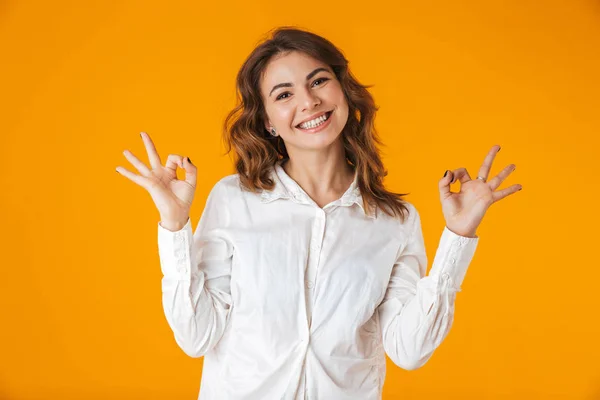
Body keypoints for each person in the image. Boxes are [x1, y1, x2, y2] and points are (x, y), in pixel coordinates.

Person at [116, 27, 522, 400]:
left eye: (318, 81)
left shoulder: (395, 219)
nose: (308, 101)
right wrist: (174, 226)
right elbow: (196, 336)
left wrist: (458, 238)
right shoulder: (233, 200)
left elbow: (409, 351)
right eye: (284, 94)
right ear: (269, 122)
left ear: (343, 91)